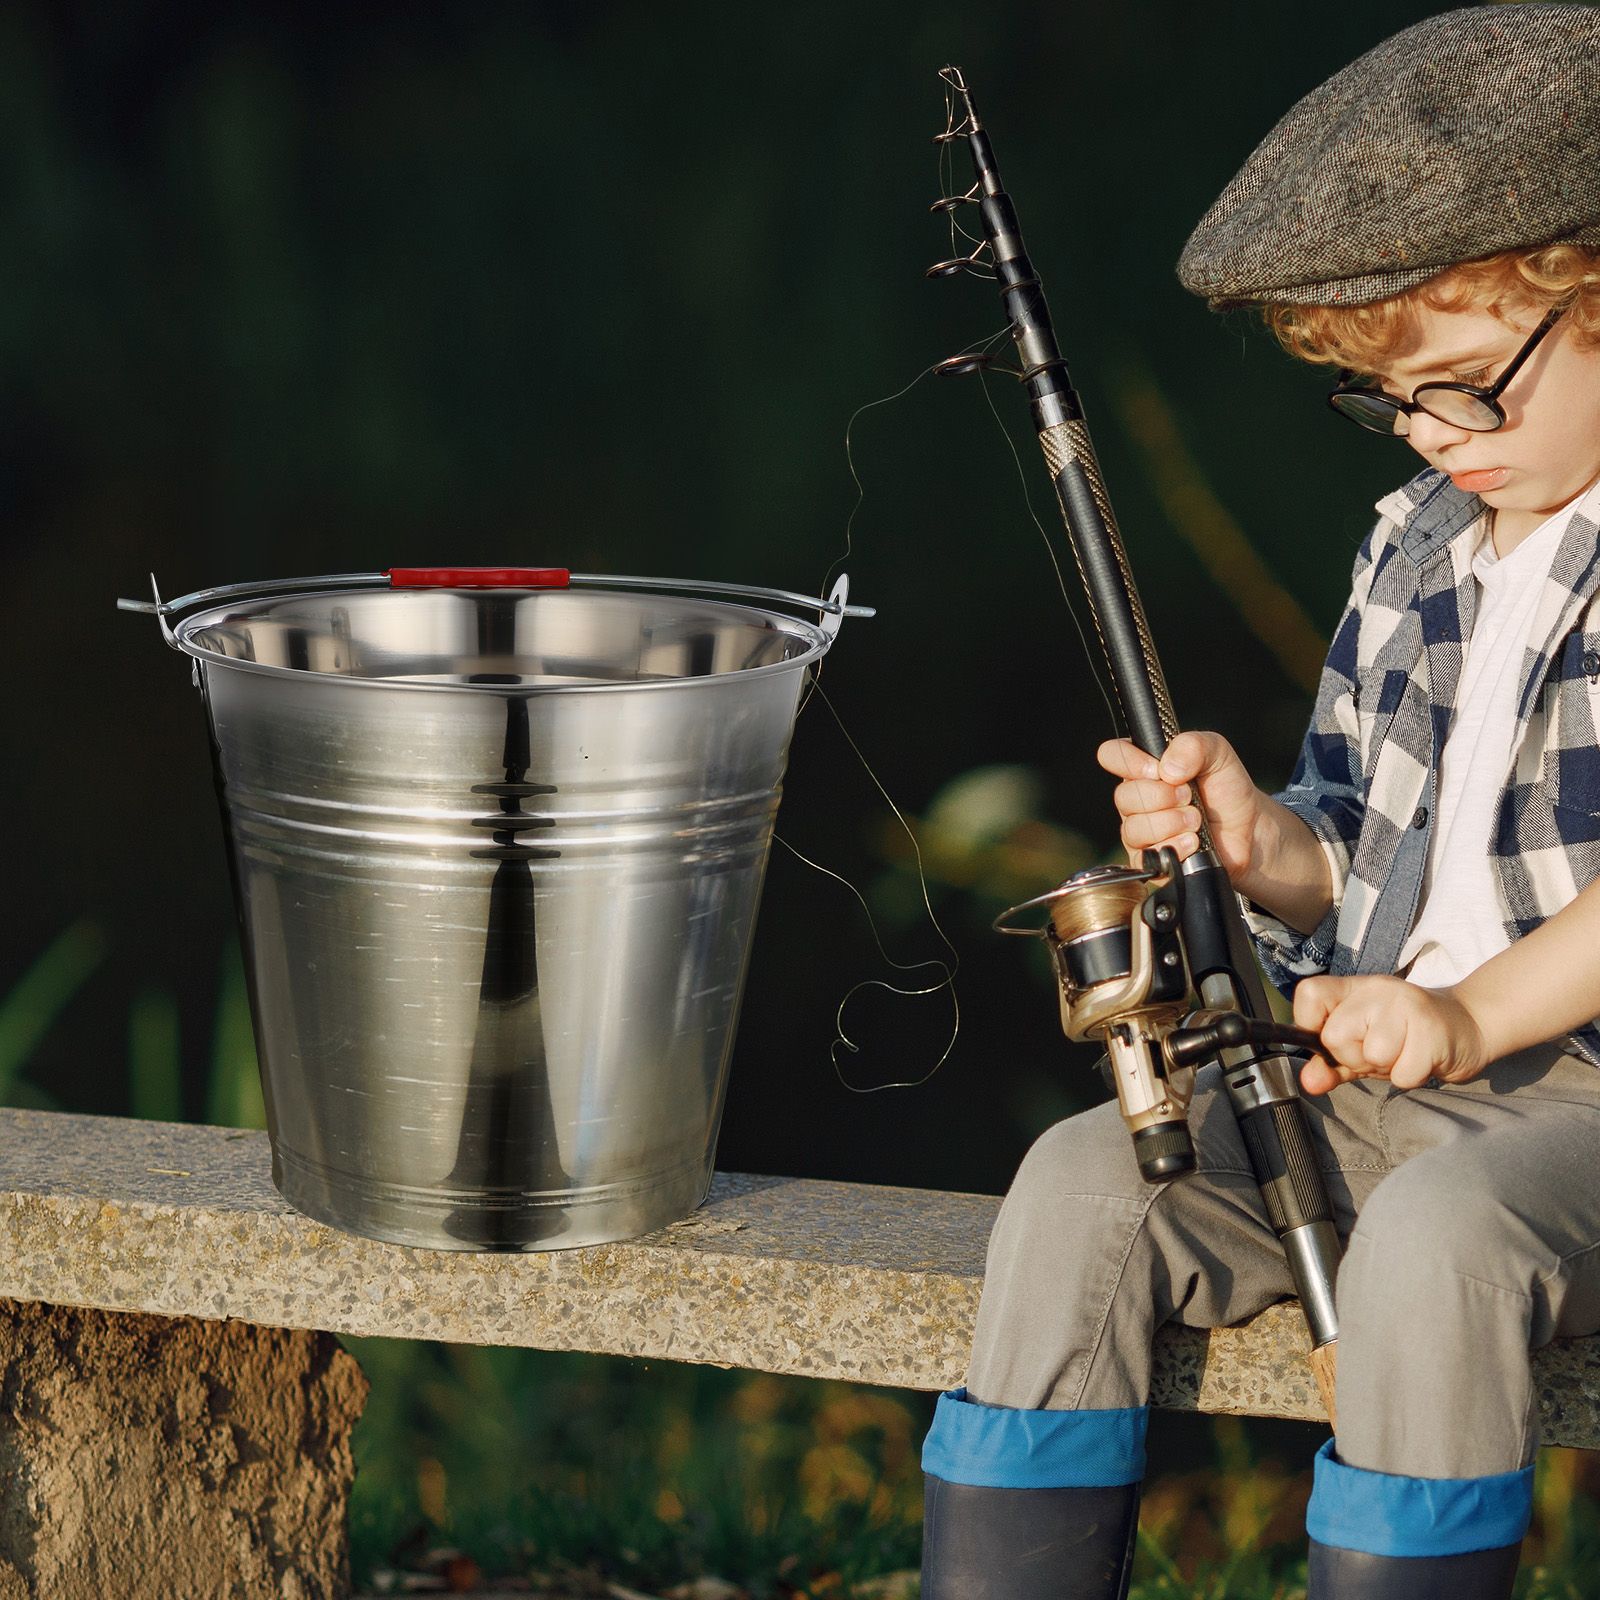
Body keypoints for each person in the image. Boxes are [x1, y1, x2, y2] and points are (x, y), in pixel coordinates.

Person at [917, 6, 1600, 1598]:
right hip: (1405, 1100)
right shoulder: (1424, 540)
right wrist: (1265, 846)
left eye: (1463, 388)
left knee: (1439, 1241)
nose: (1435, 436)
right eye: (1392, 403)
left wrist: (1473, 1021)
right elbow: (1360, 846)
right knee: (1080, 1189)